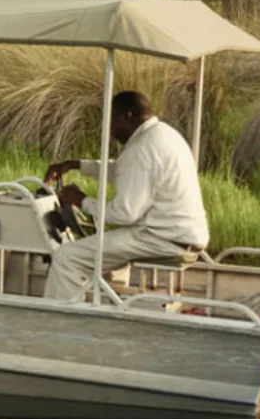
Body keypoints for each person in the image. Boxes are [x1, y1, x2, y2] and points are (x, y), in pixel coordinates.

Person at [42, 90, 208, 302]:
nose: (109, 128)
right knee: (103, 247)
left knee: (67, 257)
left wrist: (81, 200)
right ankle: (108, 307)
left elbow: (124, 214)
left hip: (163, 239)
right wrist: (76, 165)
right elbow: (125, 172)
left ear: (127, 116)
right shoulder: (162, 134)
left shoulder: (141, 149)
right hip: (182, 236)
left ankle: (61, 323)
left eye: (111, 120)